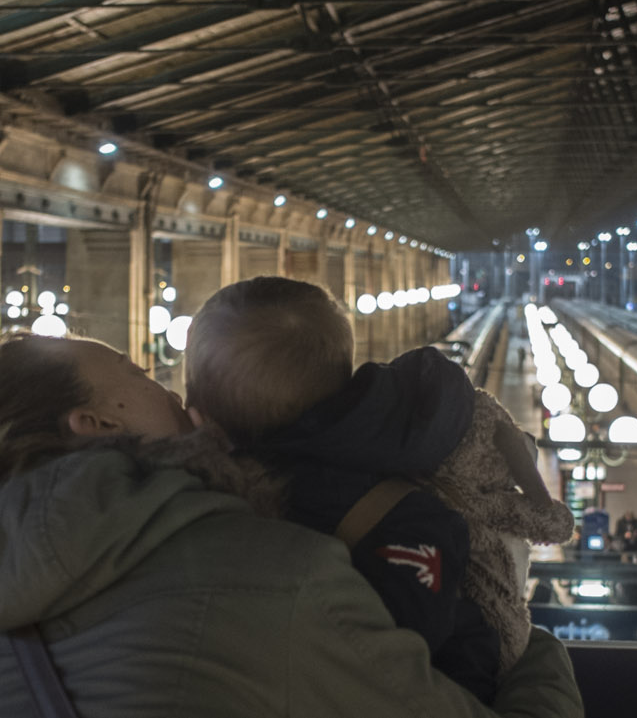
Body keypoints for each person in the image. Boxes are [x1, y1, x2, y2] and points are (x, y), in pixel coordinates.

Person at [0, 334, 581, 718]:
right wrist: (535, 647)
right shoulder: (279, 574)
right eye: (139, 371)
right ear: (97, 423)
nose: (169, 386)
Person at [182, 277, 527, 699]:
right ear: (346, 385)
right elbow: (447, 665)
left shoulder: (184, 513)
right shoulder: (412, 515)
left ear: (199, 421)